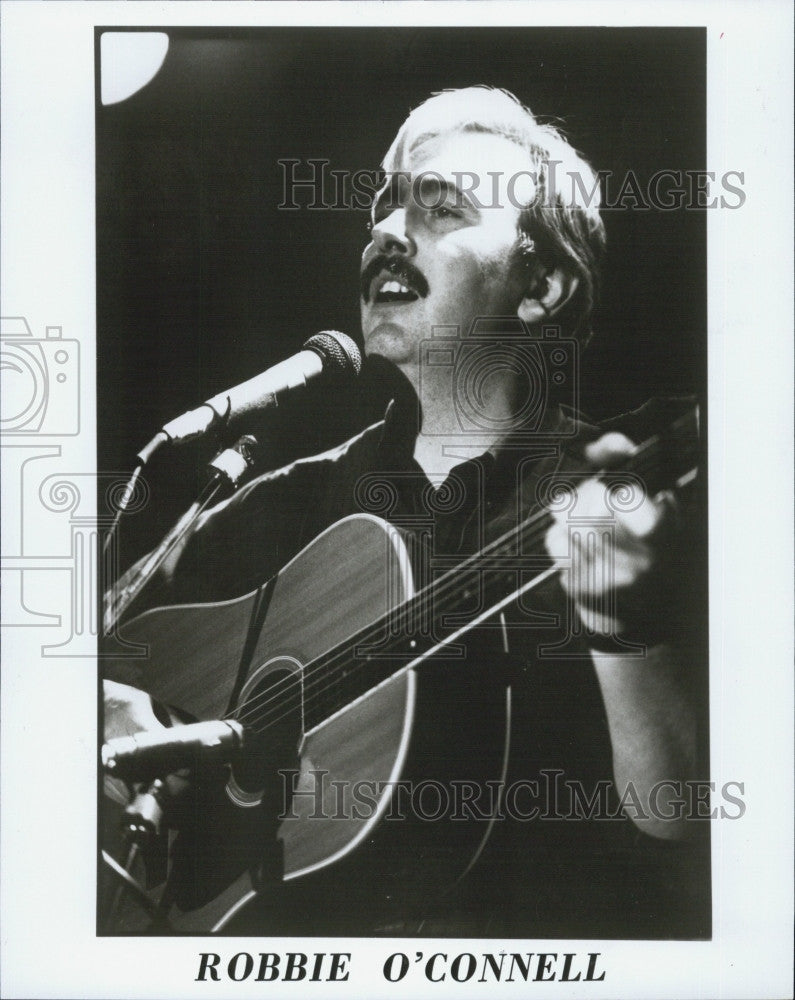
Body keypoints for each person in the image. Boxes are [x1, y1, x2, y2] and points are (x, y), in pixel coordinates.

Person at [102, 86, 708, 938]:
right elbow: (101, 656)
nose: (386, 229)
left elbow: (686, 822)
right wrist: (103, 707)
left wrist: (626, 626)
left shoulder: (628, 506)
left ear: (540, 284)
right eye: (385, 206)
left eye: (439, 207)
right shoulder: (285, 504)